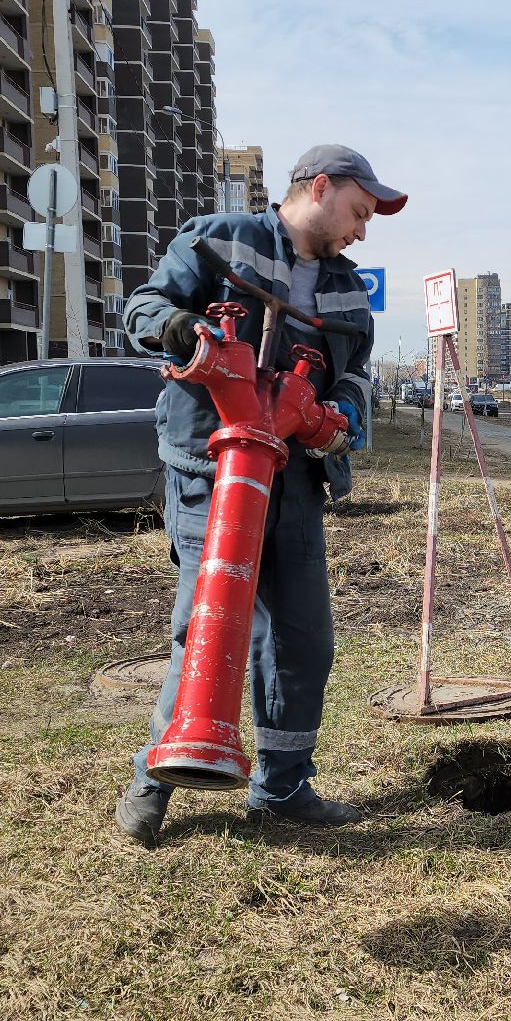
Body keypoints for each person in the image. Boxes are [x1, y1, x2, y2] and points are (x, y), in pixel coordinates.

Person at [114, 145, 407, 843]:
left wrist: (341, 414)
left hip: (295, 478)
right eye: (359, 212)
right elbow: (143, 307)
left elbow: (355, 374)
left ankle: (281, 788)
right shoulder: (221, 239)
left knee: (303, 640)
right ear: (321, 187)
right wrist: (181, 331)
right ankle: (153, 781)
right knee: (207, 624)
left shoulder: (348, 291)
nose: (362, 232)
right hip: (209, 468)